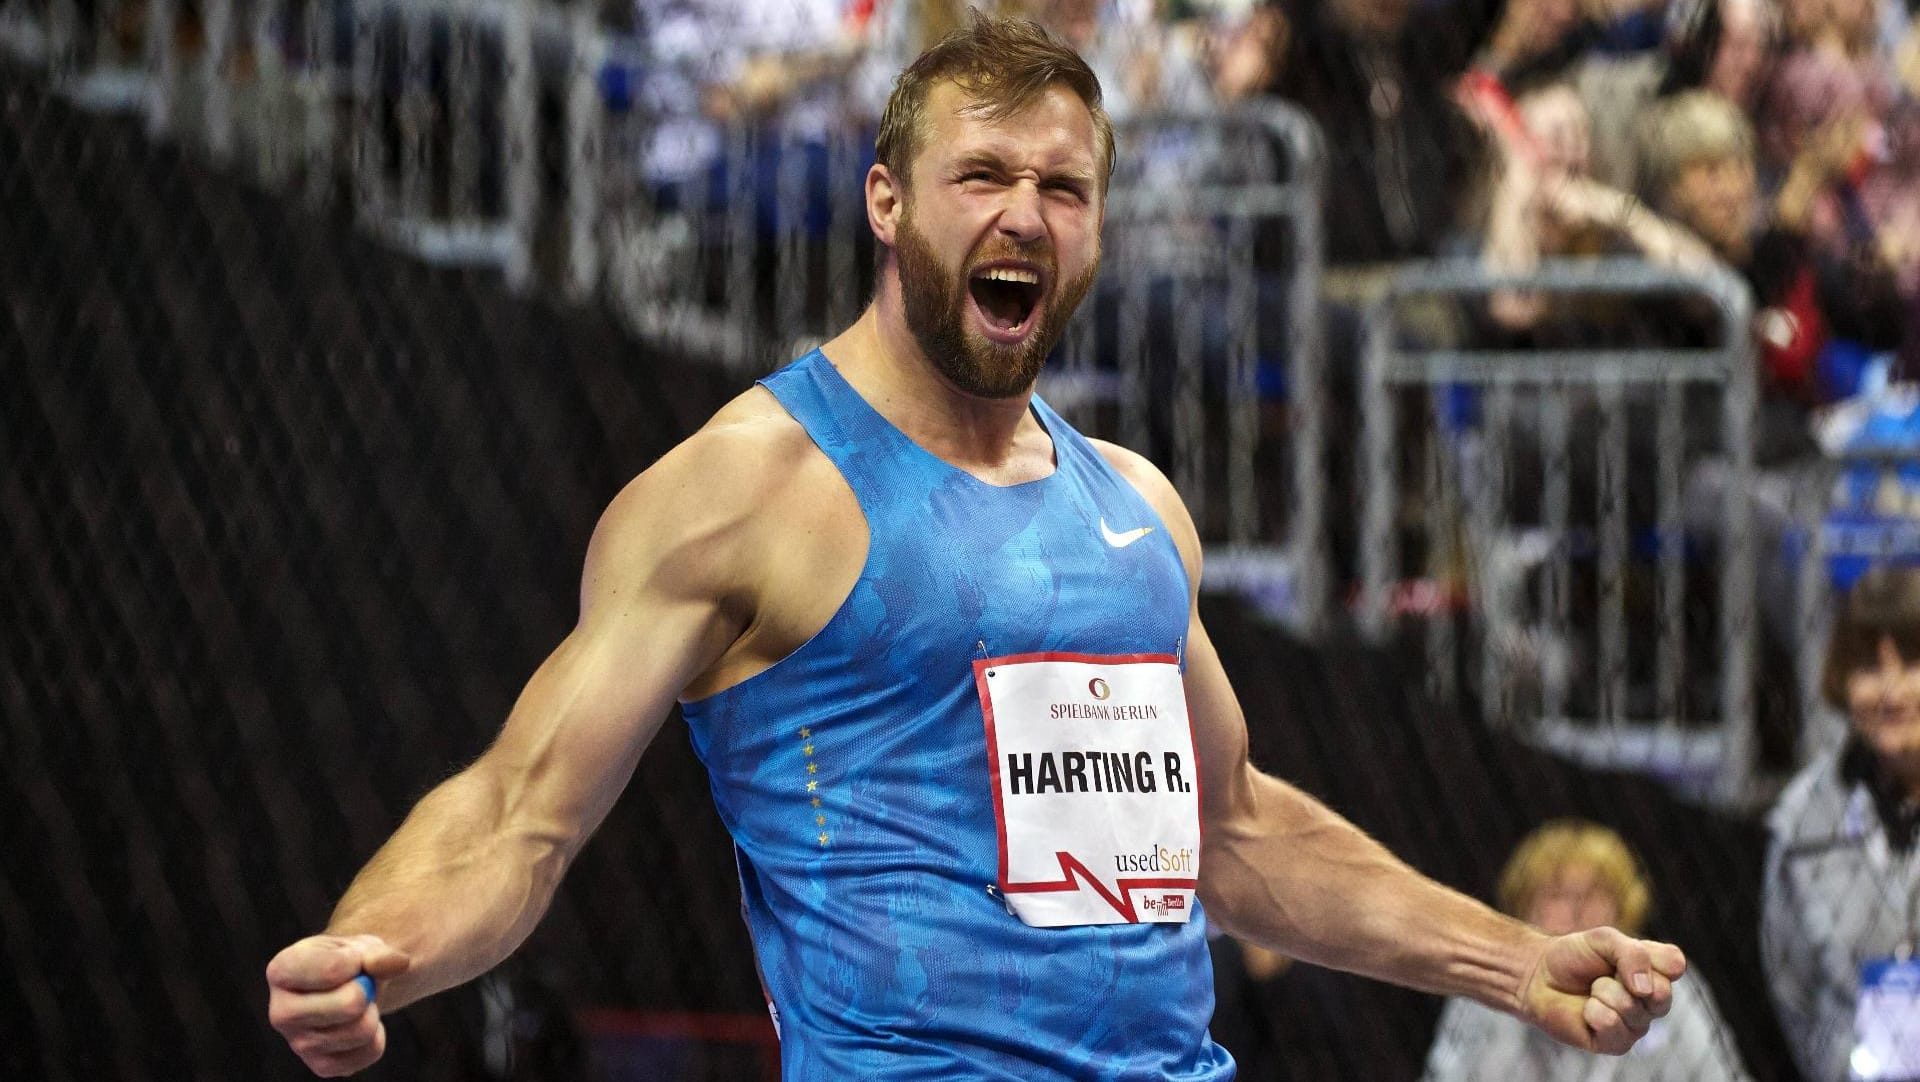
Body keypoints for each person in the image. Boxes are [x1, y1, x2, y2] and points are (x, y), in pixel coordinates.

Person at [265, 14, 1688, 1078]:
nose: (1024, 213)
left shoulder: (1134, 505)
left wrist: (1515, 961)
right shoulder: (747, 489)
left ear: (1097, 233)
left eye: (1063, 189)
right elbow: (520, 805)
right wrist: (382, 942)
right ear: (888, 202)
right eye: (982, 175)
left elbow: (1234, 829)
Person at [1422, 821, 1752, 1082]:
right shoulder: (1490, 982)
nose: (1576, 911)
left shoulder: (1665, 985)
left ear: (1623, 907)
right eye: (1557, 894)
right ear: (1524, 907)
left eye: (1592, 894)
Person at [1763, 566, 1920, 1082]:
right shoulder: (1803, 821)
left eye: (1913, 662)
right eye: (1870, 668)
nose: (1891, 693)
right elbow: (1792, 989)